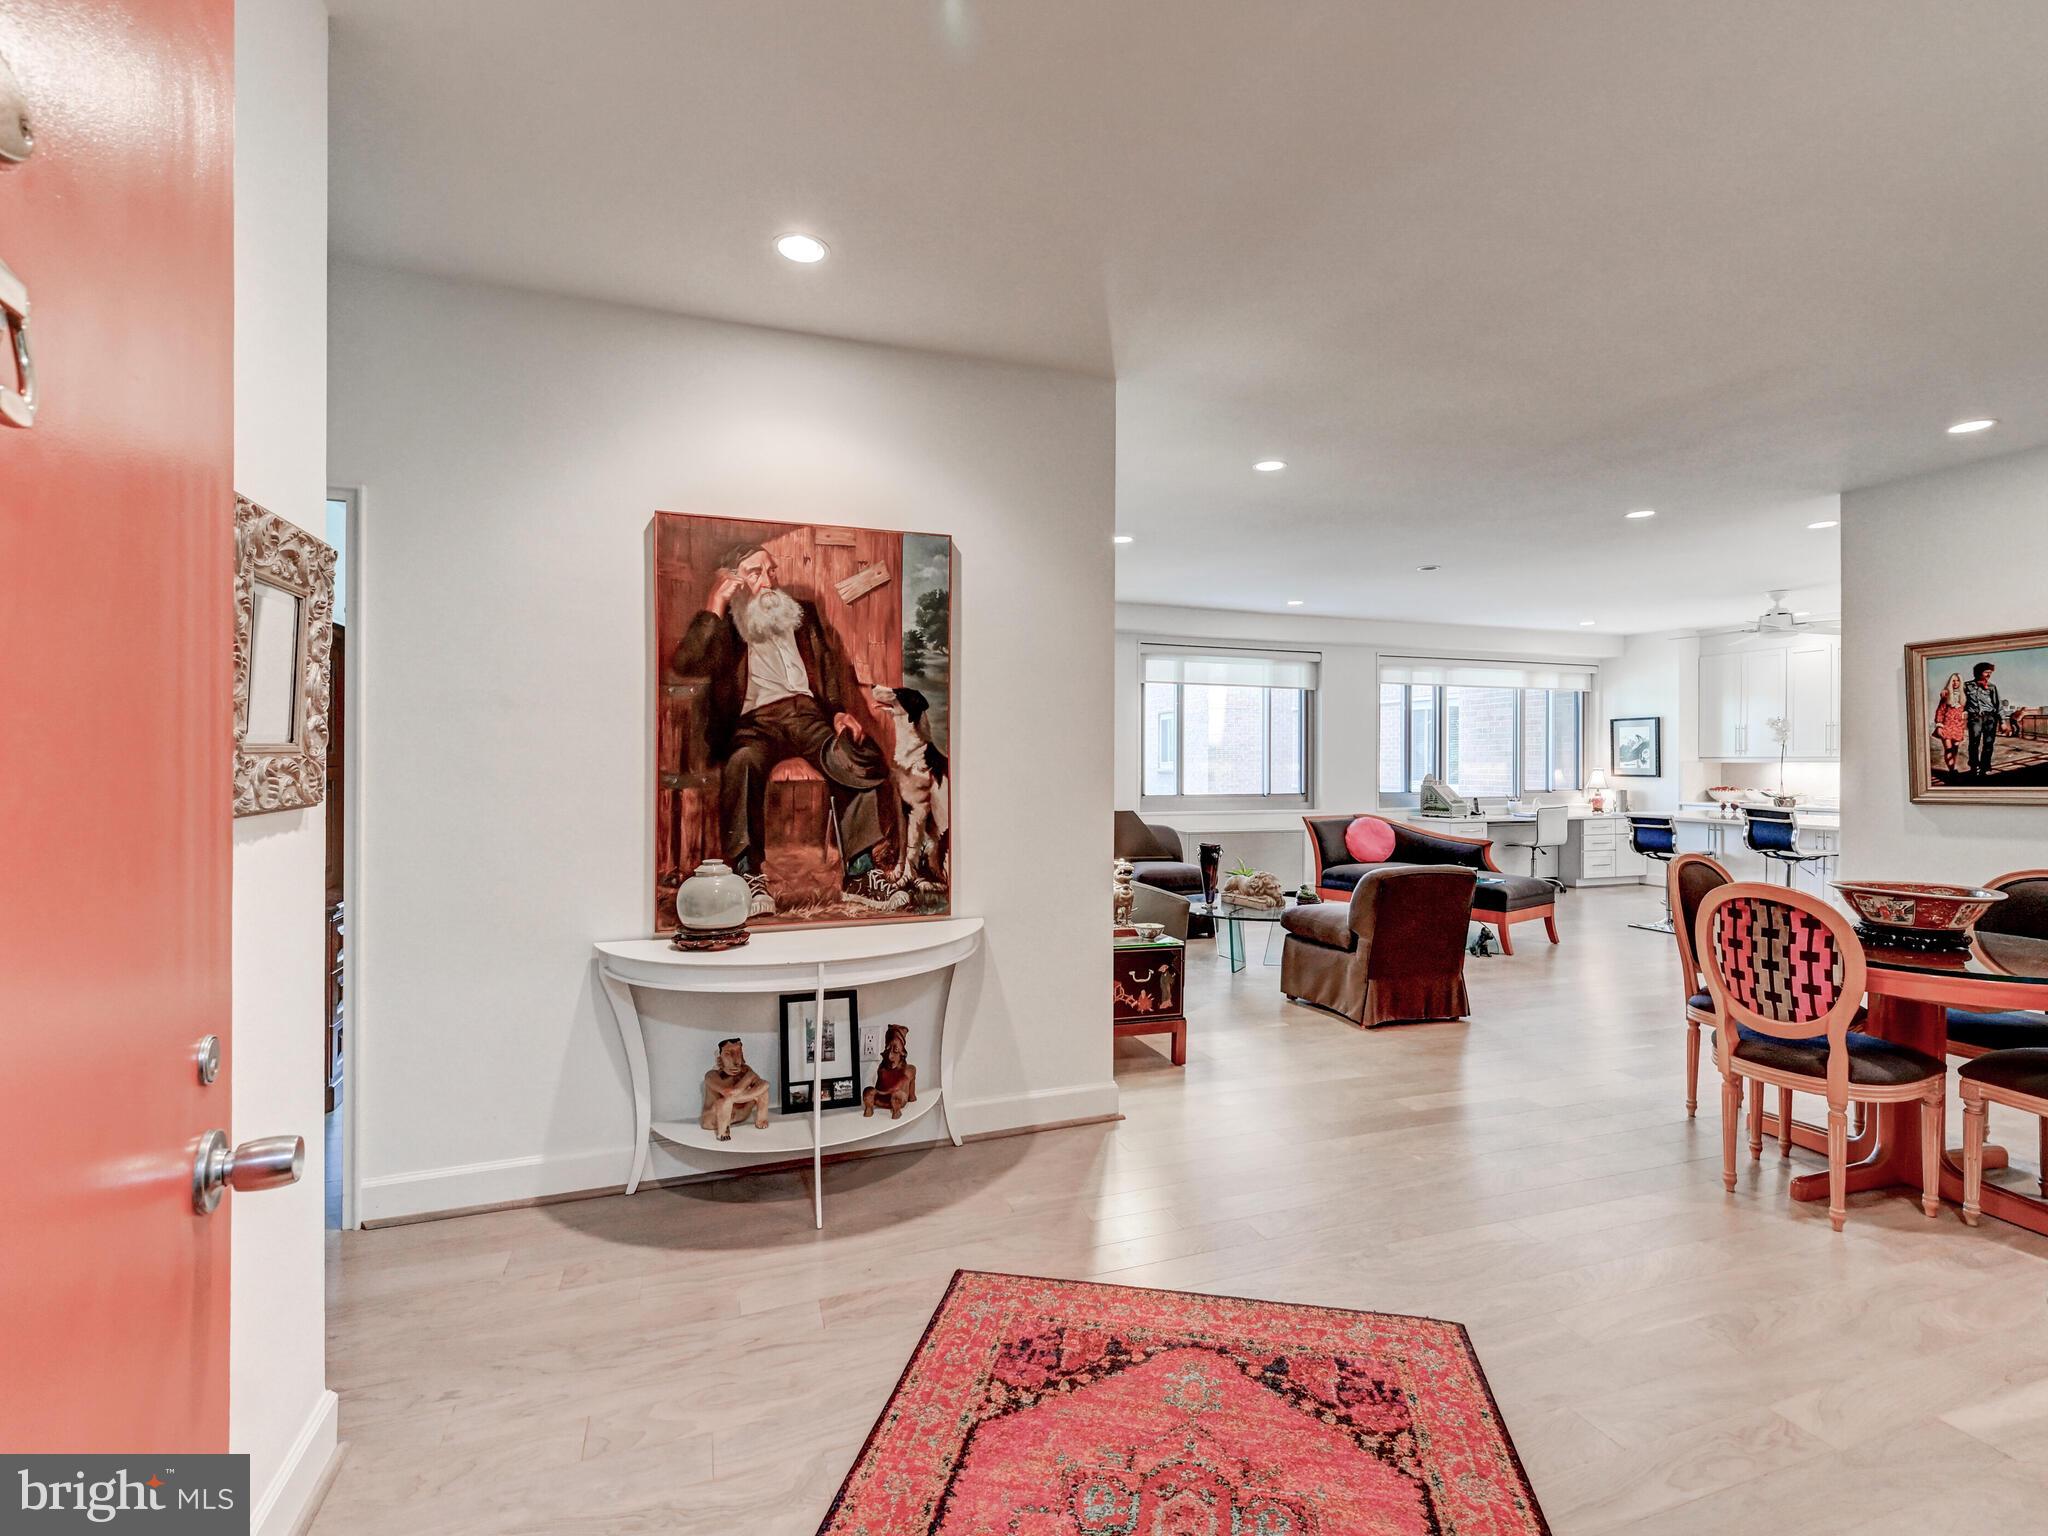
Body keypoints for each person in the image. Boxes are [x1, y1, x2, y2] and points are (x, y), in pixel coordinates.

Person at [670, 543, 906, 914]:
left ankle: (860, 875)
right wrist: (715, 602)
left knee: (856, 753)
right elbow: (689, 663)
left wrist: (839, 712)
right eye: (755, 572)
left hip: (807, 715)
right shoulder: (724, 625)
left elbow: (827, 670)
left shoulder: (802, 614)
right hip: (754, 722)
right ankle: (749, 875)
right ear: (734, 580)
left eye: (772, 570)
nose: (769, 580)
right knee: (743, 762)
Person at [1964, 661, 2003, 778]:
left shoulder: (1992, 687)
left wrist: (2003, 722)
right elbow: (1958, 697)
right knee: (1974, 743)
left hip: (1990, 717)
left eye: (1990, 673)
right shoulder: (1967, 686)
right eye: (1986, 672)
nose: (1989, 675)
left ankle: (1984, 767)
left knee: (1989, 743)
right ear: (1979, 672)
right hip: (1975, 717)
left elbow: (1998, 704)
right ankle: (1973, 767)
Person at [1932, 671, 1967, 772]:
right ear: (1950, 682)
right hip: (1946, 725)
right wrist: (1939, 726)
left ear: (1961, 682)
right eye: (1953, 681)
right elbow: (1940, 711)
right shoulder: (1946, 694)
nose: (1955, 683)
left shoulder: (1964, 695)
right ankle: (1952, 770)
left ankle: (1952, 767)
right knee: (1948, 749)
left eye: (1958, 681)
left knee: (1955, 750)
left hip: (1958, 726)